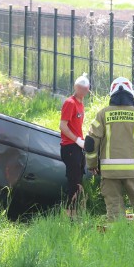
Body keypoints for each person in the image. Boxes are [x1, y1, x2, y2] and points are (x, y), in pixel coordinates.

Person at [85, 77, 134, 222]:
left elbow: (91, 142)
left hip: (109, 172)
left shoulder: (102, 115)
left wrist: (92, 165)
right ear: (131, 93)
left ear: (112, 93)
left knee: (114, 212)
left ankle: (115, 238)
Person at [59, 72, 91, 218]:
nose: (85, 91)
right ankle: (69, 213)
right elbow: (63, 126)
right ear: (76, 87)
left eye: (86, 89)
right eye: (82, 88)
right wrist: (77, 140)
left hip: (78, 147)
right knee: (73, 180)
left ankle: (75, 211)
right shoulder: (70, 103)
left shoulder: (81, 103)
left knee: (78, 179)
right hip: (70, 147)